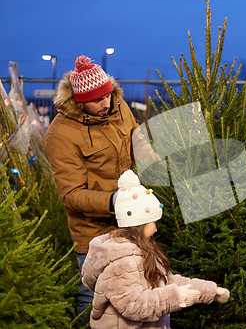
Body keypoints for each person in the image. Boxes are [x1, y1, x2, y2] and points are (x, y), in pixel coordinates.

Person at [45, 55, 159, 316]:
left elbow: (135, 133)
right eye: (97, 100)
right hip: (95, 234)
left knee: (138, 289)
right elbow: (71, 195)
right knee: (96, 295)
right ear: (79, 101)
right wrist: (115, 202)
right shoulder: (61, 134)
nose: (106, 103)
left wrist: (150, 159)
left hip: (133, 224)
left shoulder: (117, 104)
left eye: (108, 95)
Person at [82, 170, 230, 328]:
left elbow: (167, 281)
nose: (156, 229)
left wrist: (209, 291)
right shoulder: (120, 261)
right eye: (152, 223)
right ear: (139, 224)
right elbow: (134, 305)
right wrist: (175, 298)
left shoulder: (144, 248)